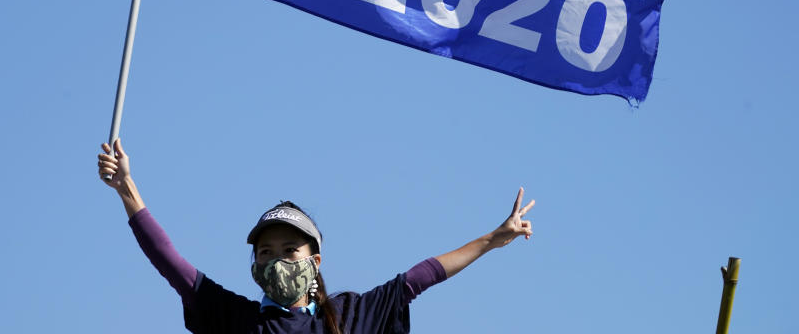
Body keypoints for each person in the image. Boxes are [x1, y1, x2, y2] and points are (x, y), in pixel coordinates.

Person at [98, 139, 534, 334]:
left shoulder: (349, 317)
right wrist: (128, 192)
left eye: (291, 250)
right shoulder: (237, 320)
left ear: (315, 262)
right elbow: (171, 263)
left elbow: (421, 277)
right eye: (266, 252)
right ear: (254, 267)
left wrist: (490, 240)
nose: (278, 260)